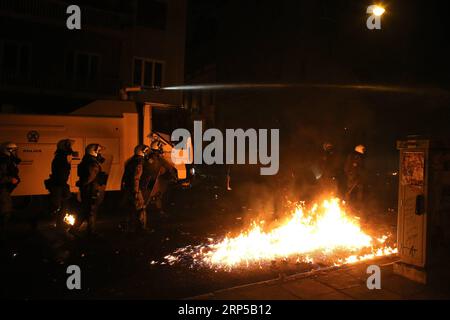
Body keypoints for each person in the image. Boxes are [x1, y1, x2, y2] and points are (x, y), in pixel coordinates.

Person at [70, 144, 106, 236]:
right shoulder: (92, 163)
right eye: (97, 151)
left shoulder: (86, 161)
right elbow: (90, 177)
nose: (99, 153)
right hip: (91, 190)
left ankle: (74, 229)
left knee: (85, 210)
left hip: (87, 189)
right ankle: (91, 232)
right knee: (91, 211)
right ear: (93, 151)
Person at [45, 139, 77, 227]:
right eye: (69, 146)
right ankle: (59, 225)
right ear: (65, 147)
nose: (71, 148)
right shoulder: (60, 158)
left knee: (63, 204)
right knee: (58, 205)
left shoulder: (61, 157)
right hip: (59, 184)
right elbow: (61, 173)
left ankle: (60, 224)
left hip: (60, 184)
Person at [121, 144, 151, 232]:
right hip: (135, 189)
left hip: (128, 188)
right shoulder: (139, 163)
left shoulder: (131, 161)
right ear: (142, 152)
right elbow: (136, 178)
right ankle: (142, 228)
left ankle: (129, 228)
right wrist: (136, 191)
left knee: (130, 208)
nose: (146, 154)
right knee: (141, 208)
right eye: (145, 152)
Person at [0, 142, 21, 239]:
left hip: (5, 189)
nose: (16, 153)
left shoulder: (8, 159)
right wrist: (10, 179)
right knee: (5, 210)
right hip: (2, 189)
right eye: (14, 150)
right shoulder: (3, 161)